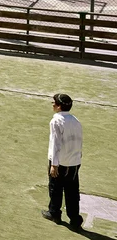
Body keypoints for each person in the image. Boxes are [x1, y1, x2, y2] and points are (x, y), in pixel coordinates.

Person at [42, 93, 83, 230]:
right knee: (72, 191)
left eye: (54, 102)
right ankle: (75, 219)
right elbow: (78, 140)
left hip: (60, 162)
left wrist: (54, 164)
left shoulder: (56, 121)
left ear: (59, 106)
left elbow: (55, 144)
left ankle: (54, 213)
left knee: (55, 188)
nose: (52, 104)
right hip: (74, 162)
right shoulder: (75, 120)